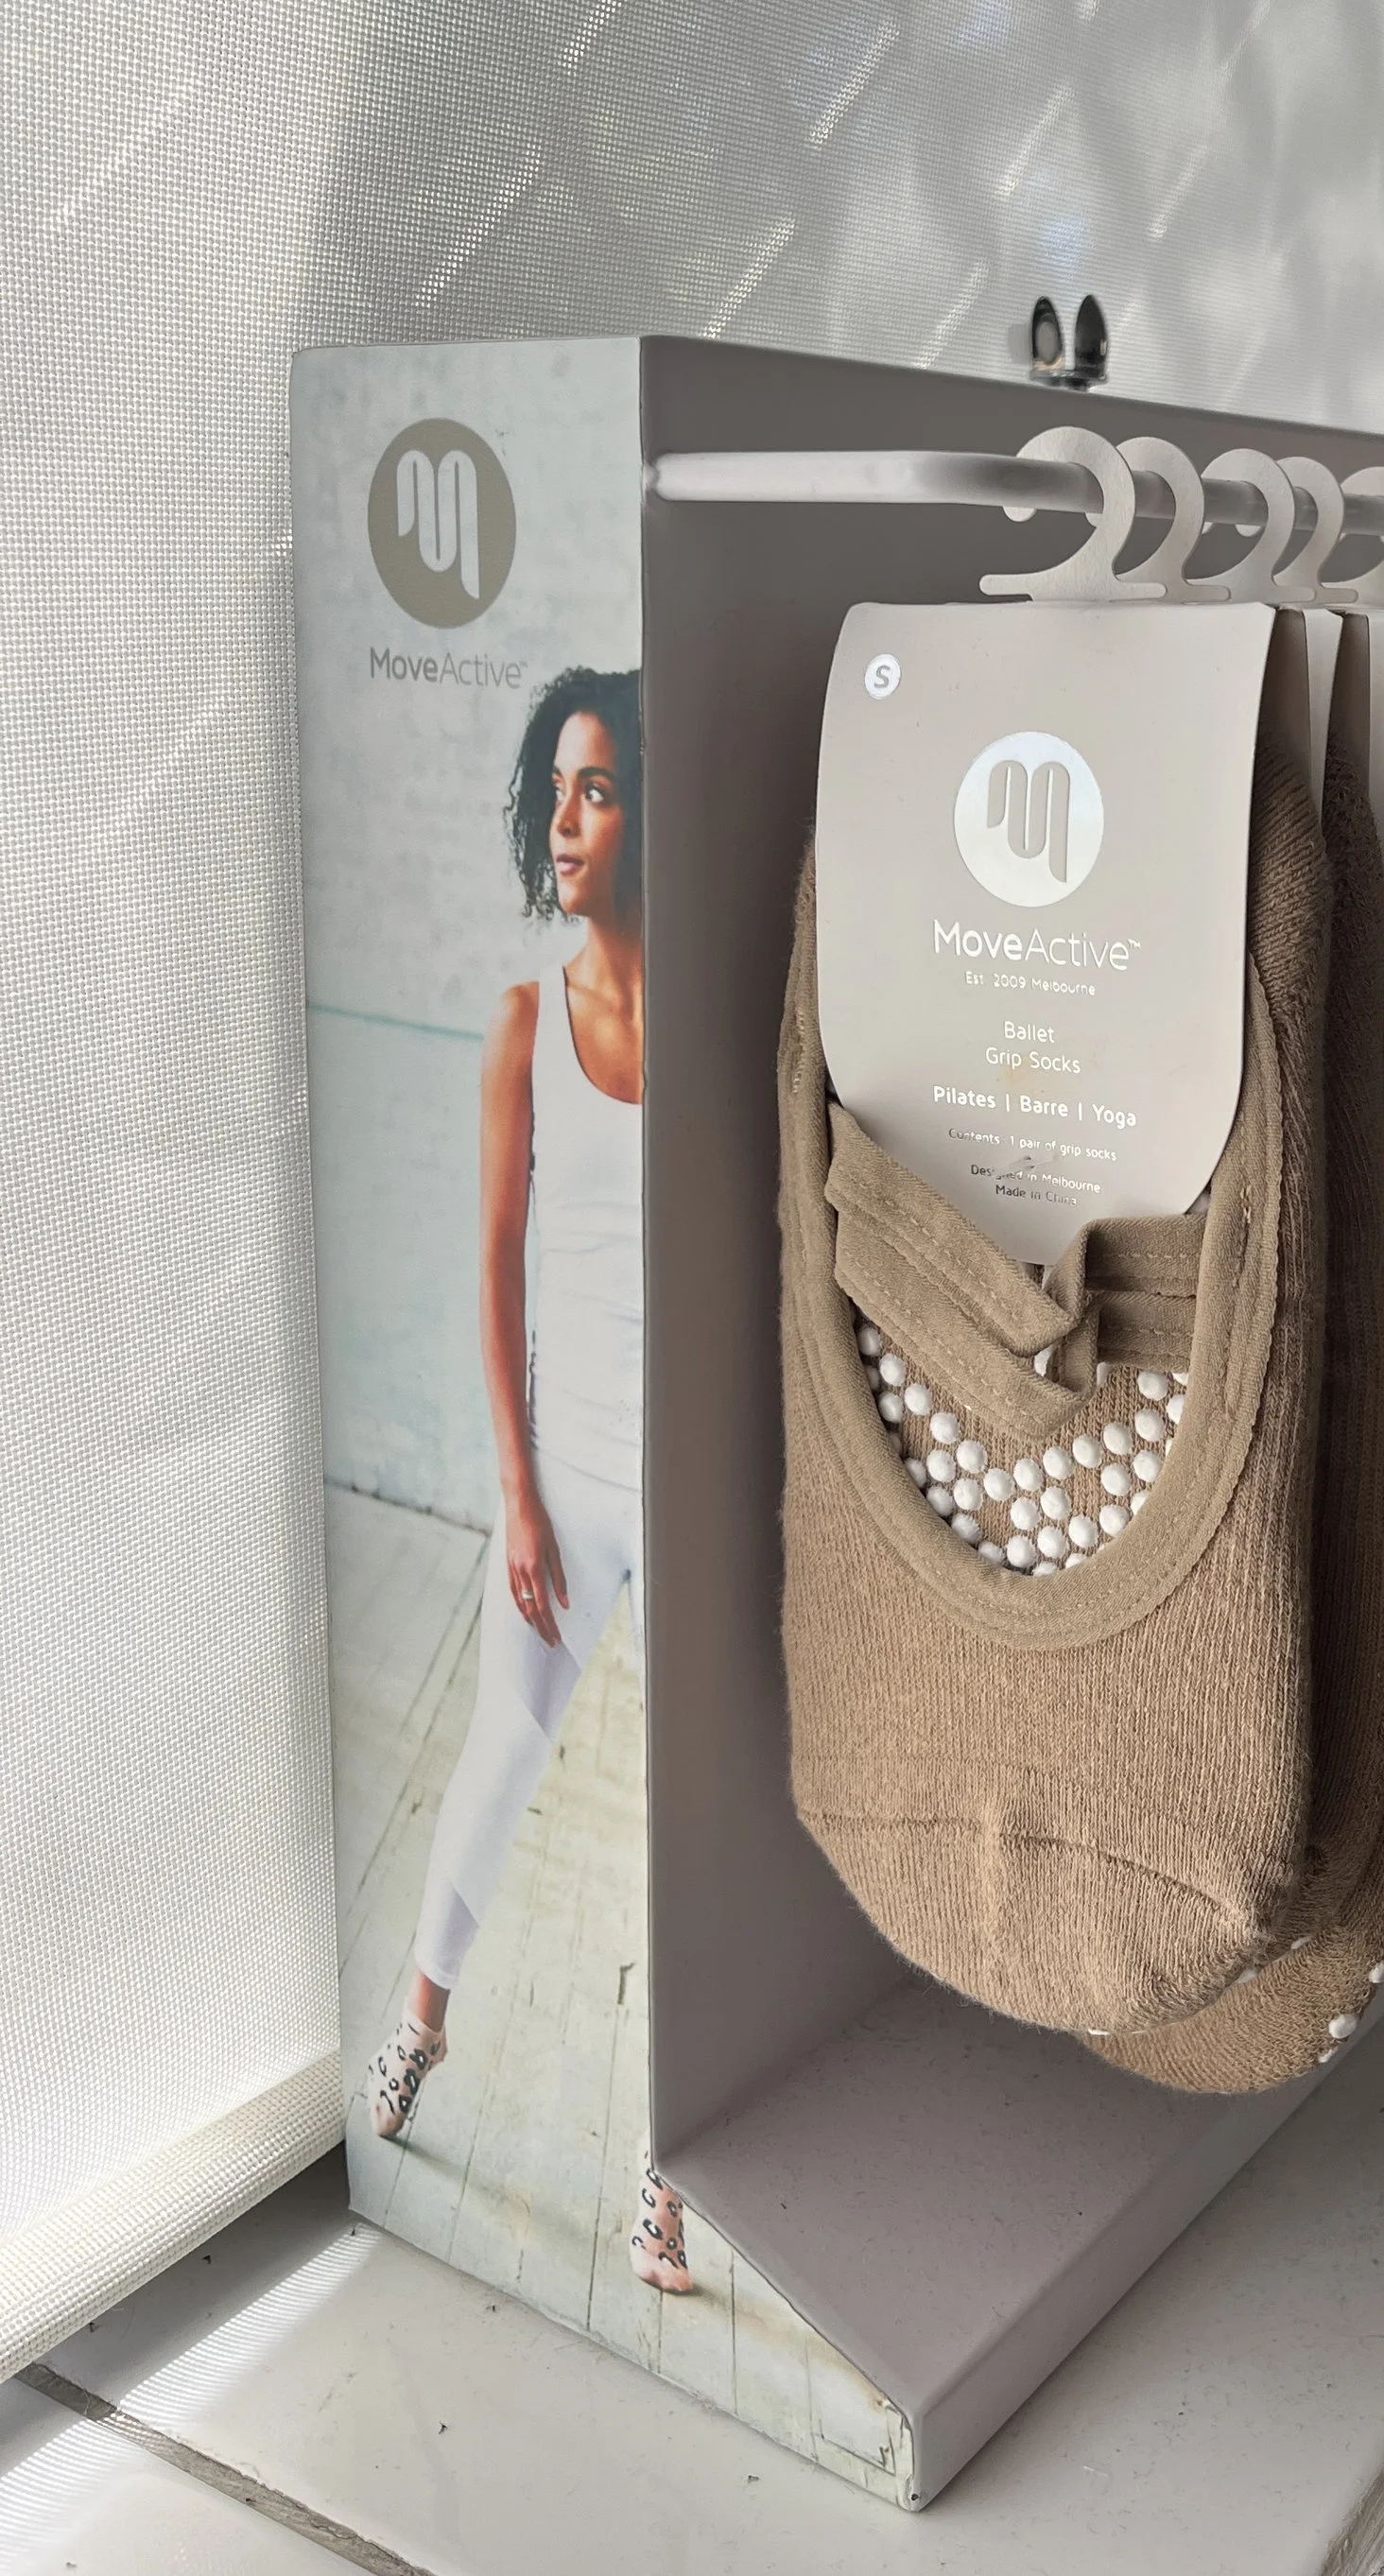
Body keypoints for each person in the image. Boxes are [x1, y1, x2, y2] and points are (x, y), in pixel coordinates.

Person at [364, 669, 689, 2294]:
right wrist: (515, 1494)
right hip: (564, 1478)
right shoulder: (522, 1028)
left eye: (600, 791)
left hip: (692, 1491)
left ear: (650, 813)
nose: (566, 823)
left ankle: (677, 2173)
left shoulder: (707, 1026)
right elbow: (493, 1269)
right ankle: (419, 2031)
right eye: (557, 792)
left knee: (699, 1837)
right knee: (503, 1749)